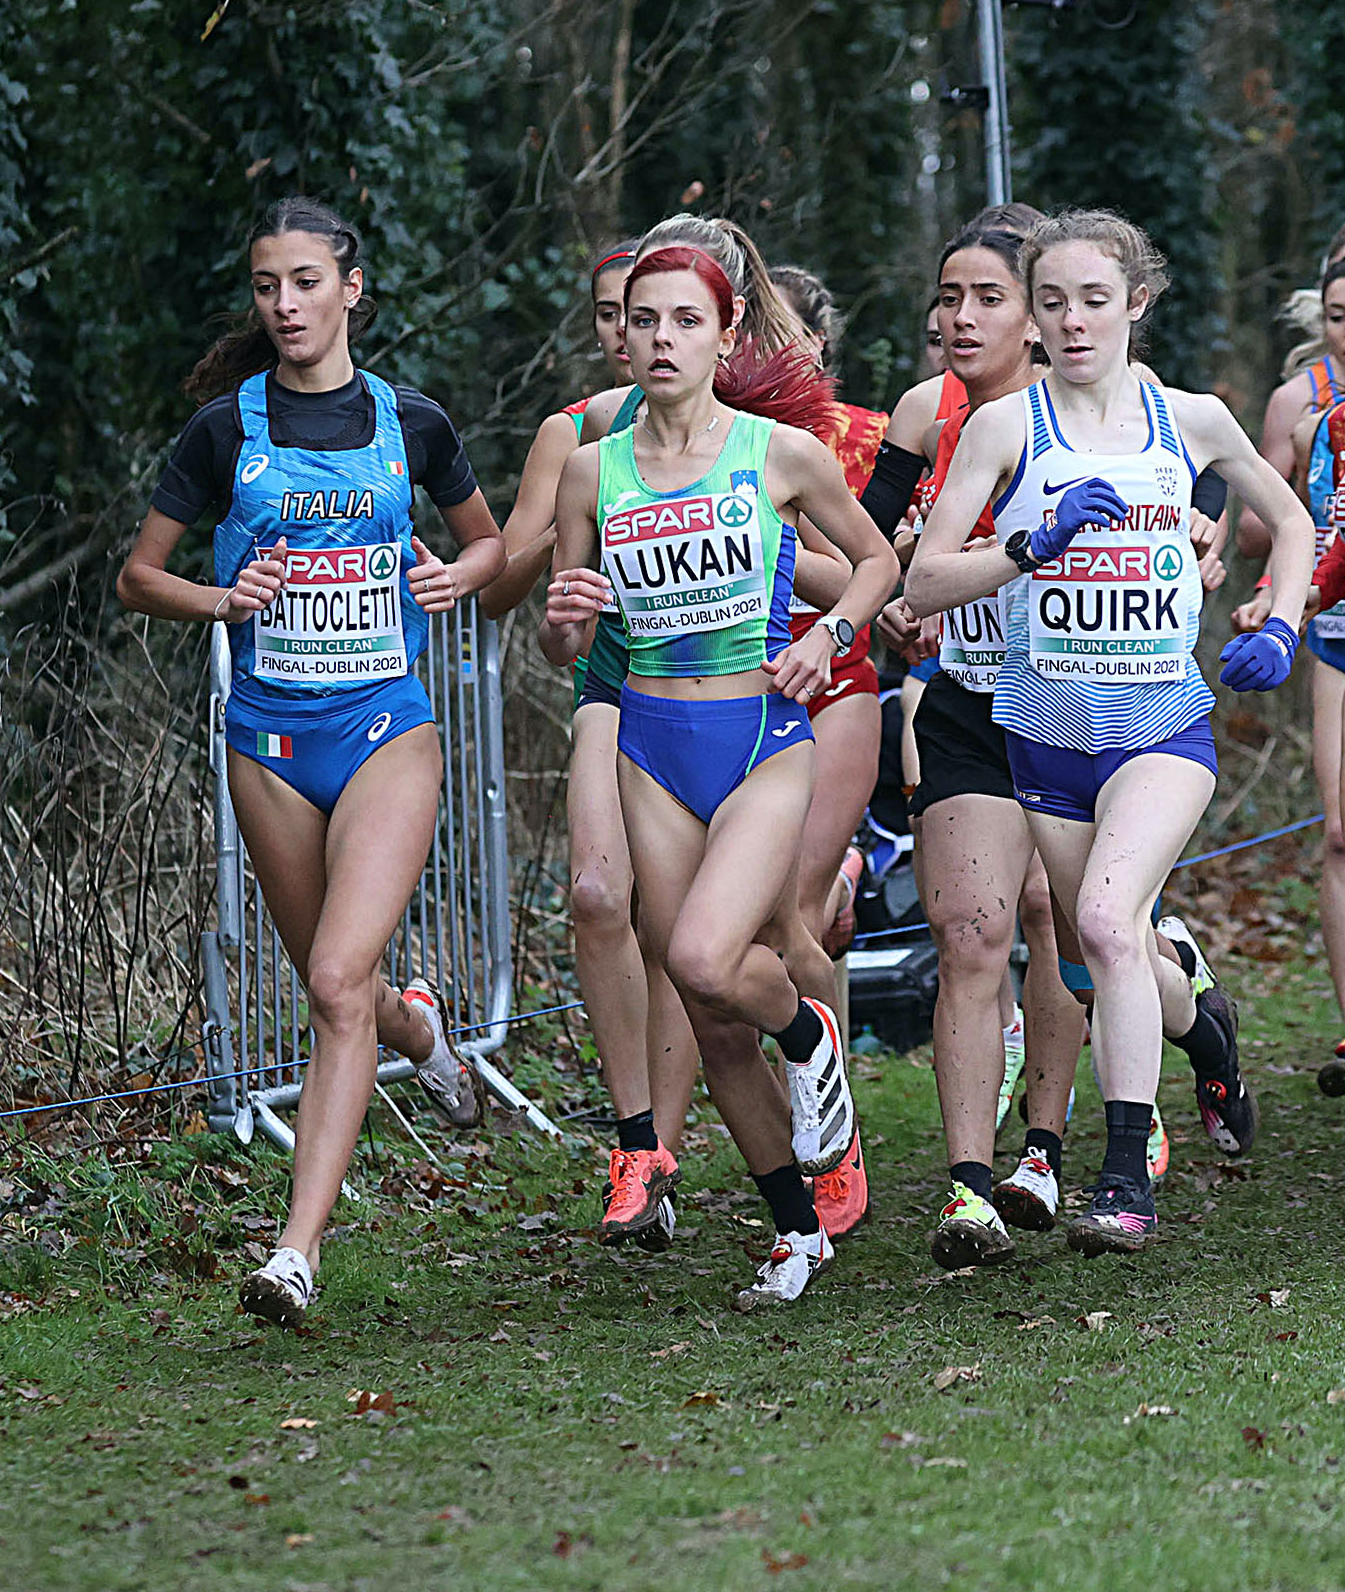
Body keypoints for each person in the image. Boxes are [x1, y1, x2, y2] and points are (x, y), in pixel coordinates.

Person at [117, 198, 506, 1327]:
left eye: (304, 282)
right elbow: (140, 575)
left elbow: (486, 538)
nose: (284, 304)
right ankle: (420, 1029)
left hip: (385, 725)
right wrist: (219, 597)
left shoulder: (410, 420)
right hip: (270, 744)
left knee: (335, 981)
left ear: (350, 288)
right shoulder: (222, 431)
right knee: (343, 987)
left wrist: (457, 575)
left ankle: (292, 1254)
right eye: (265, 286)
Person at [905, 207, 1312, 1257]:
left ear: (1136, 300)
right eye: (1051, 302)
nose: (1072, 321)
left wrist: (1281, 617)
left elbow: (1292, 519)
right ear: (1033, 316)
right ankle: (1204, 1032)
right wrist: (1026, 545)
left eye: (1093, 299)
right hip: (1043, 731)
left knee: (1096, 918)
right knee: (1105, 956)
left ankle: (1124, 1182)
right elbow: (924, 580)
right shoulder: (1006, 429)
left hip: (1160, 725)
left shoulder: (1192, 420)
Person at [545, 246, 898, 1308]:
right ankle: (794, 1229)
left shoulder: (778, 453)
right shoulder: (589, 470)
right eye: (643, 320)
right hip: (649, 746)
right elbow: (570, 642)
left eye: (685, 321)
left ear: (726, 331)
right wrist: (565, 619)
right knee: (706, 1014)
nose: (661, 339)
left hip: (758, 740)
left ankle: (805, 1030)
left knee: (704, 957)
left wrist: (827, 634)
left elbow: (877, 563)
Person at [870, 212, 1088, 1267]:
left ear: (1036, 316)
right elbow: (871, 547)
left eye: (986, 299)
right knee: (968, 932)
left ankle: (1042, 1149)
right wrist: (881, 596)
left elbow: (1194, 506)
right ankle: (967, 1187)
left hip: (1075, 703)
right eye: (948, 297)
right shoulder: (925, 412)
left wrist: (1199, 538)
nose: (959, 317)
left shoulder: (1094, 411)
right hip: (963, 698)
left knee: (1060, 920)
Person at [479, 245, 702, 1254]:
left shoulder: (729, 430)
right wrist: (551, 547)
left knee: (690, 932)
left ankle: (695, 1142)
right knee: (599, 896)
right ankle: (636, 1142)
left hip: (716, 692)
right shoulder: (570, 437)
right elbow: (508, 593)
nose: (629, 333)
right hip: (609, 685)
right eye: (614, 314)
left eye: (646, 313)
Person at [1235, 223, 1345, 560]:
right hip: (1322, 586)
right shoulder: (1298, 399)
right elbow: (1249, 537)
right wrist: (1307, 479)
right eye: (1338, 316)